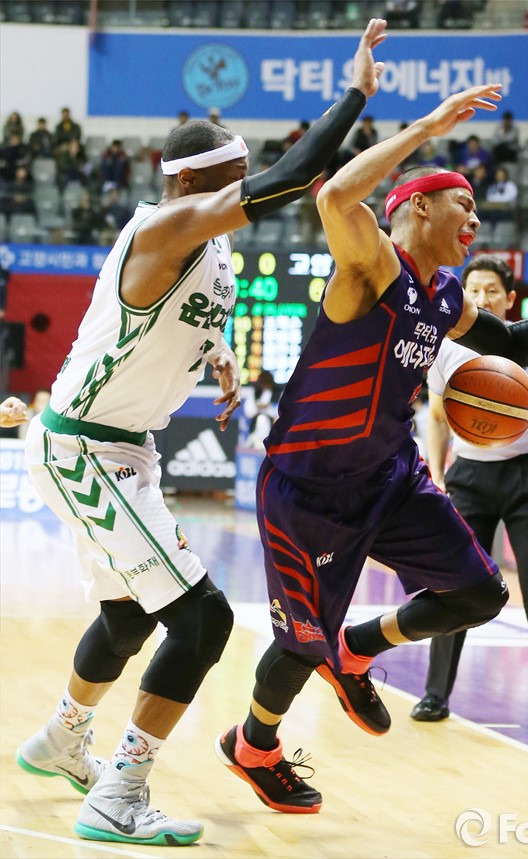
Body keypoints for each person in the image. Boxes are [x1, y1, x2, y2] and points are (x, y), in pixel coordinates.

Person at [212, 81, 528, 814]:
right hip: (308, 488)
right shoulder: (373, 265)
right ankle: (254, 744)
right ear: (419, 207)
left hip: (389, 477)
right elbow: (333, 194)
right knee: (300, 643)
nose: (476, 219)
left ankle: (356, 648)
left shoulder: (447, 296)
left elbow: (513, 344)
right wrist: (428, 126)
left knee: (480, 593)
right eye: (465, 204)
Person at [15, 18, 389, 846]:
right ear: (193, 181)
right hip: (86, 448)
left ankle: (63, 737)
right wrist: (355, 95)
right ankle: (119, 793)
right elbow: (293, 177)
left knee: (128, 617)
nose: (243, 189)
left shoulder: (208, 248)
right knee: (203, 619)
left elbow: (180, 313)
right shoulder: (160, 226)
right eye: (232, 179)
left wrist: (215, 349)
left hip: (119, 447)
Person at [410, 255, 528, 730]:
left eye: (492, 290)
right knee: (454, 586)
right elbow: (437, 419)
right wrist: (437, 475)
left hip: (527, 479)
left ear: (510, 298)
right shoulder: (446, 348)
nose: (483, 298)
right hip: (469, 478)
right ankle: (435, 694)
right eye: (474, 289)